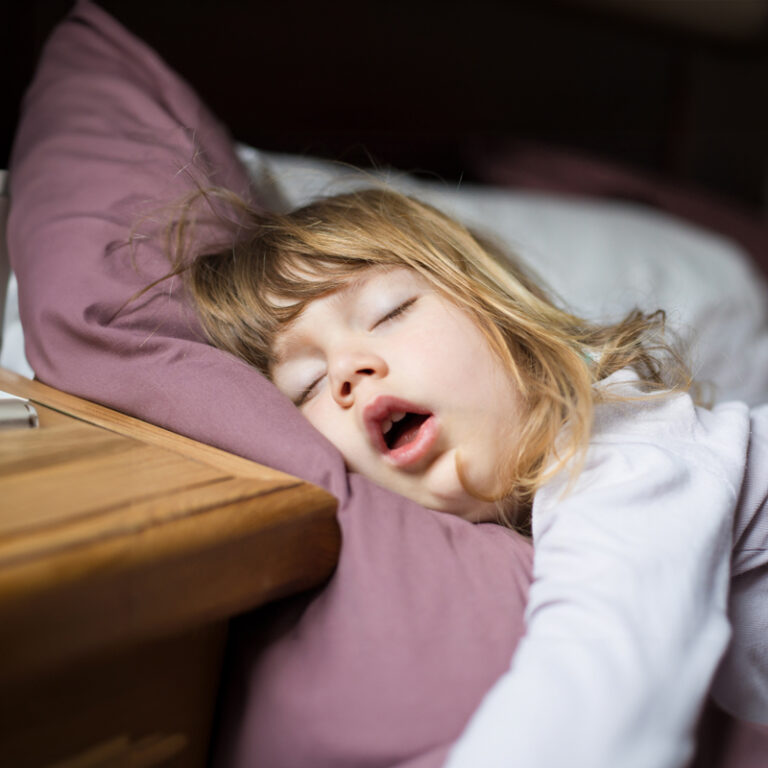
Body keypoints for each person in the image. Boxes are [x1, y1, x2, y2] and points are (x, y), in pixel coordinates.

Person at [161, 185, 768, 766]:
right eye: (308, 385)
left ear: (502, 320)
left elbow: (607, 678)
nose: (348, 368)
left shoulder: (619, 442)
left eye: (389, 312)